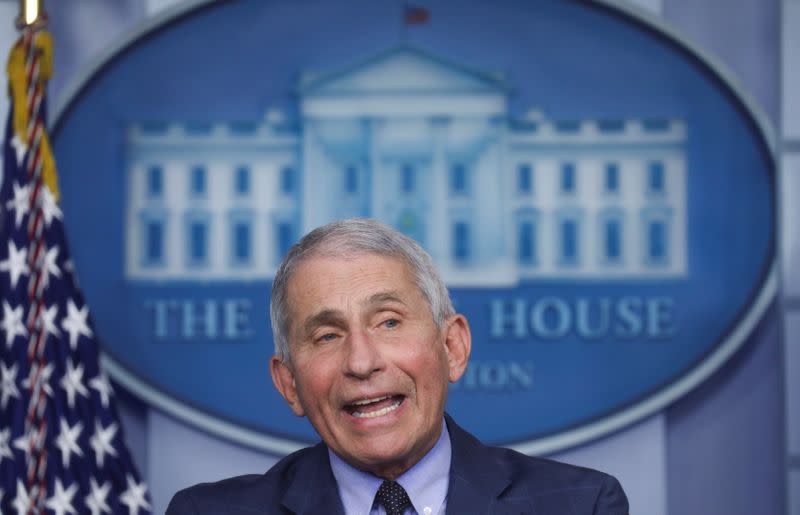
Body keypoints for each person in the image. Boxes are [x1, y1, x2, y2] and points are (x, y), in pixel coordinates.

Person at [167, 218, 629, 515]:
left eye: (388, 322)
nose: (362, 361)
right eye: (327, 335)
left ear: (453, 346)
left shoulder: (580, 505)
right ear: (289, 384)